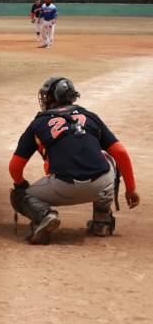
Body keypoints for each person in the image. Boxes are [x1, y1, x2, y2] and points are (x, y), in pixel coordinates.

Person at [8, 77, 140, 244]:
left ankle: (45, 216)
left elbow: (15, 167)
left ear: (53, 98)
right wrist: (131, 189)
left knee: (20, 195)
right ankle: (102, 221)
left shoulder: (38, 123)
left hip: (62, 187)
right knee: (108, 159)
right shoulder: (90, 117)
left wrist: (20, 183)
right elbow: (120, 153)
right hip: (100, 187)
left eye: (47, 96)